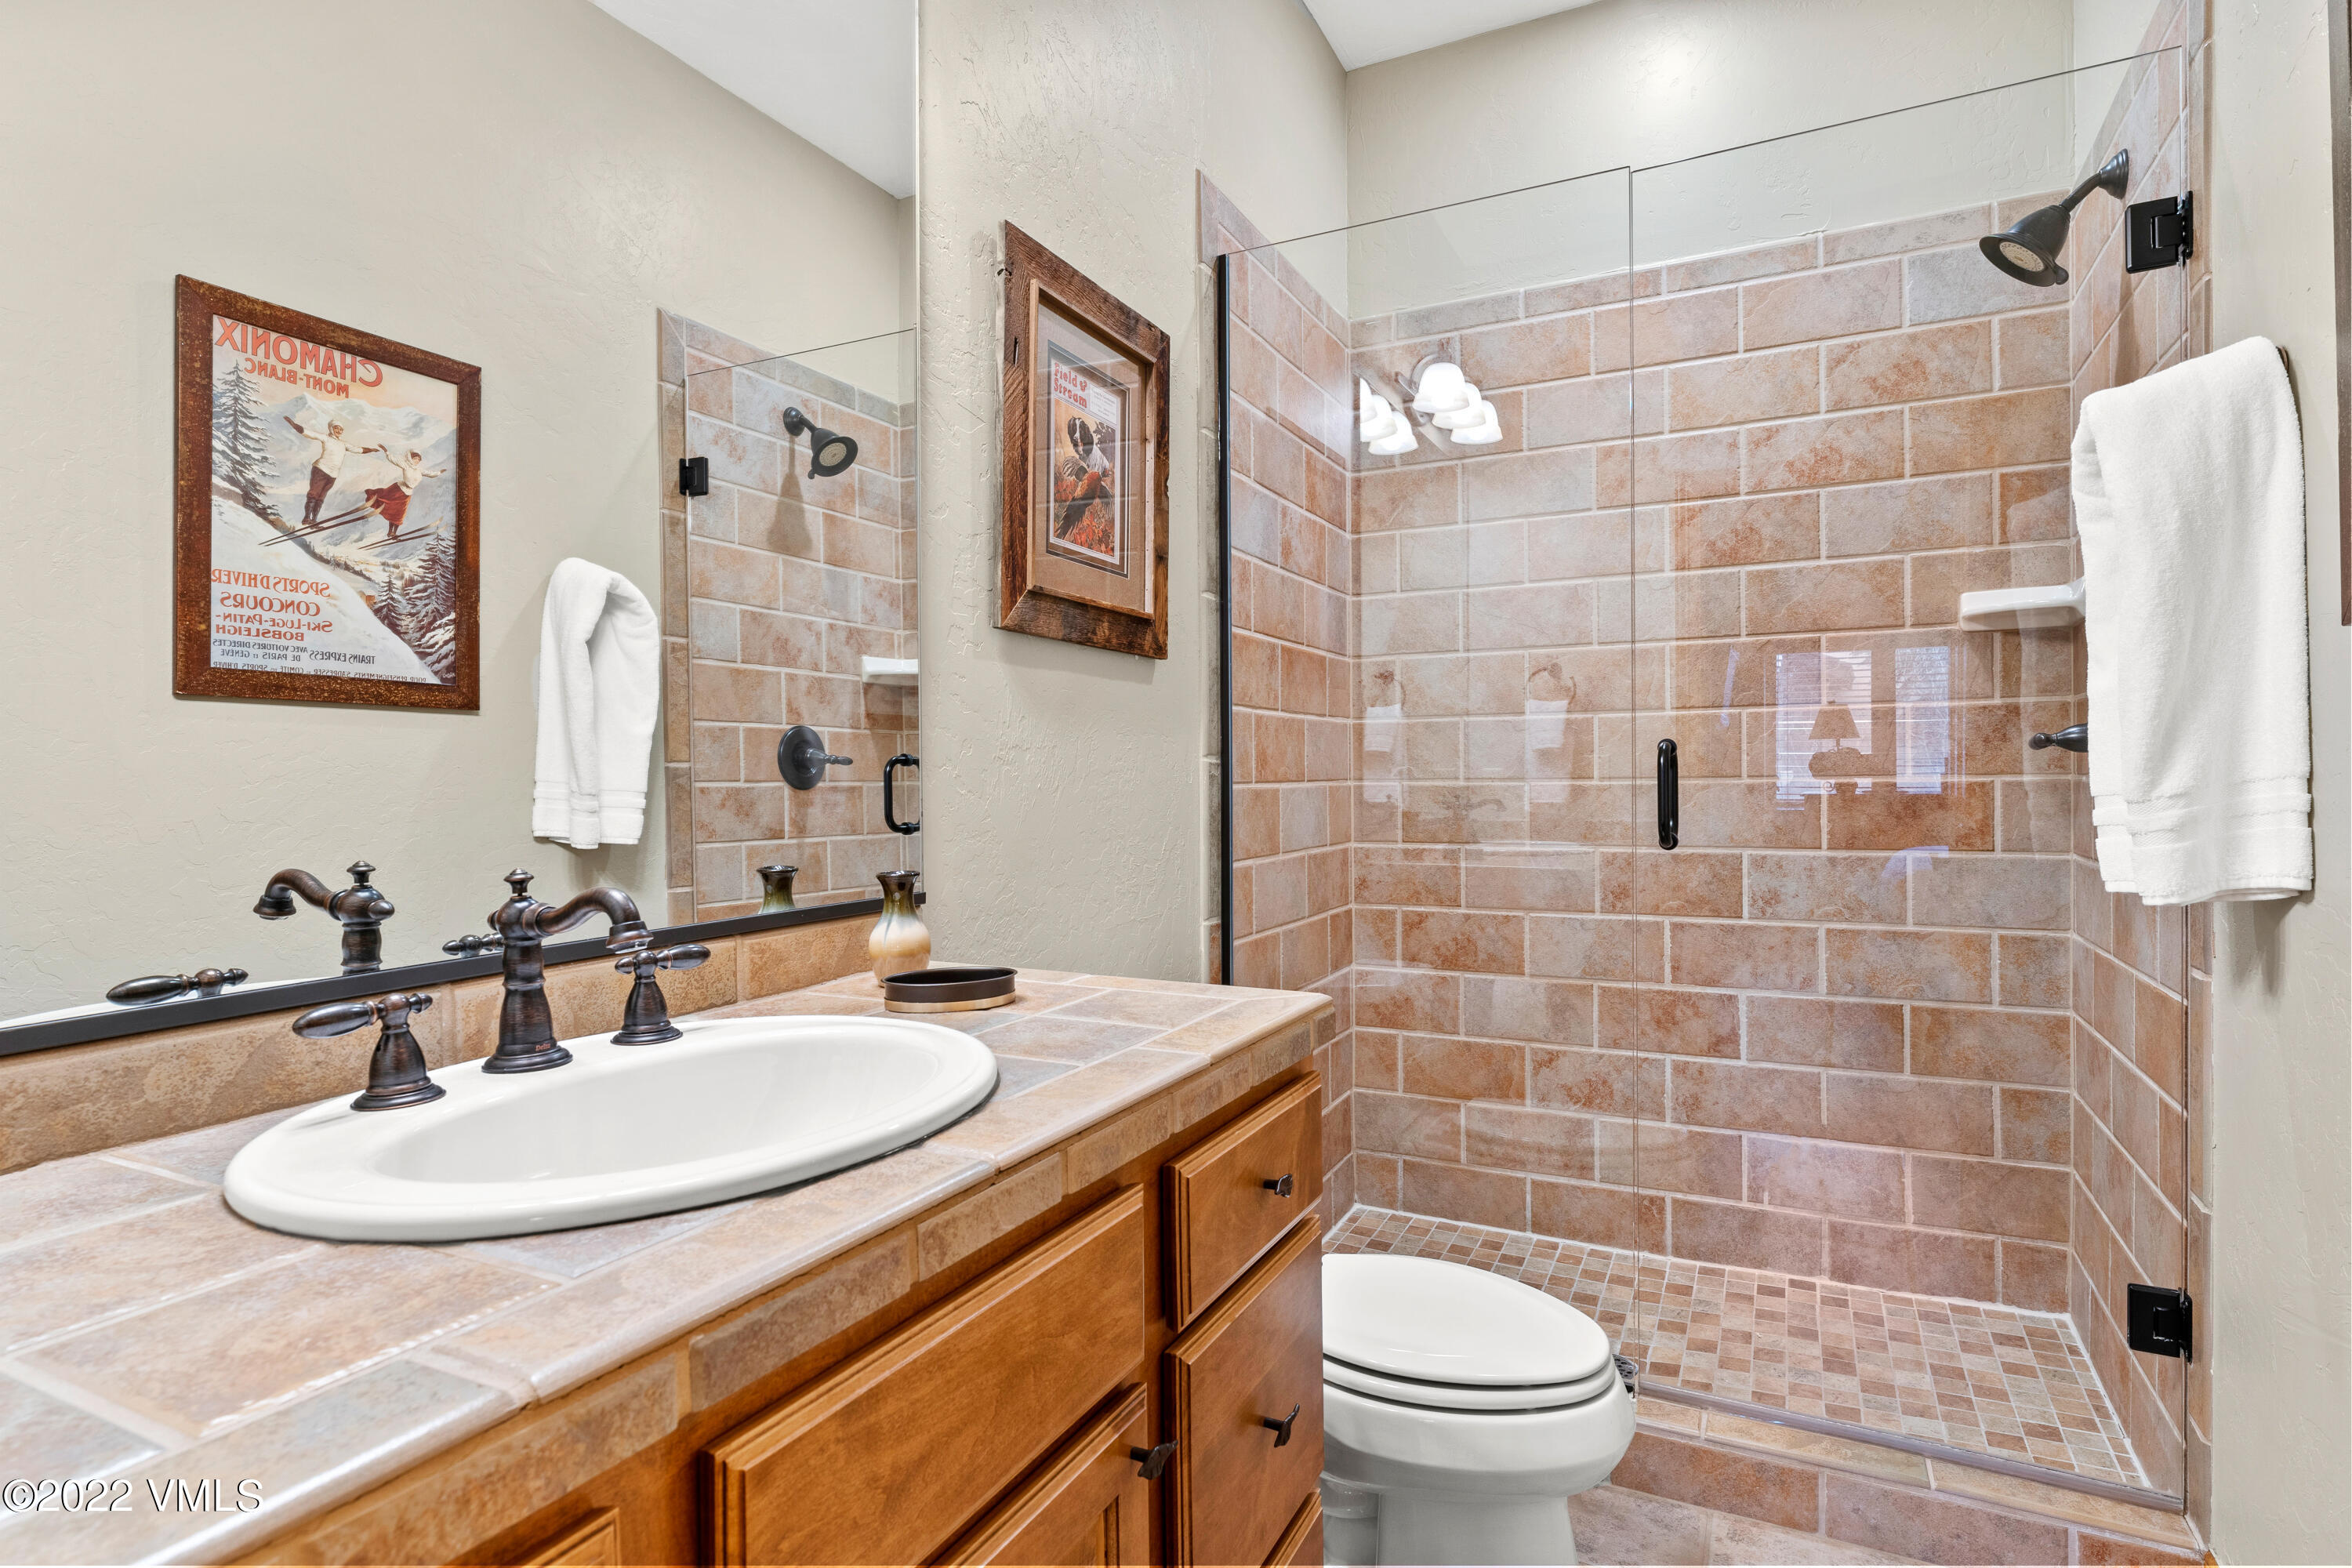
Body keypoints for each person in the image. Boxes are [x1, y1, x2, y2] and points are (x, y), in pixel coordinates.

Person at [357, 445, 446, 542]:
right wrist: (387, 452)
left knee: (399, 514)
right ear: (411, 458)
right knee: (389, 505)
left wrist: (439, 473)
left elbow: (430, 474)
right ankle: (374, 501)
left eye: (419, 459)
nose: (417, 461)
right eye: (415, 458)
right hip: (398, 490)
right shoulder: (406, 465)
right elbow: (395, 460)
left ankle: (393, 533)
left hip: (407, 494)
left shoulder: (420, 470)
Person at [285, 416, 354, 527]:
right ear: (331, 428)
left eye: (341, 429)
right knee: (314, 494)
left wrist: (371, 450)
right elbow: (309, 433)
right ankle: (306, 518)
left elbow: (358, 449)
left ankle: (314, 520)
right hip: (321, 470)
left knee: (321, 498)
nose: (339, 431)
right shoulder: (326, 438)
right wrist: (294, 425)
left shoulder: (343, 444)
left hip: (333, 475)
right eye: (337, 428)